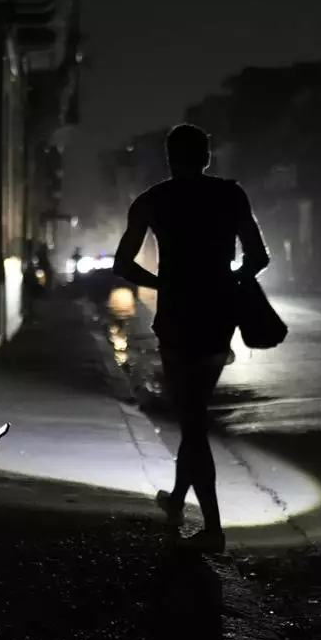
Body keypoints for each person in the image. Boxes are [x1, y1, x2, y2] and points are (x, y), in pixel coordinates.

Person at [114, 124, 269, 552]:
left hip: (178, 319)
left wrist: (165, 285)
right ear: (207, 156)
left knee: (193, 420)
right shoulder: (231, 194)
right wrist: (229, 282)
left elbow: (123, 265)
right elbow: (258, 256)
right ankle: (180, 499)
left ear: (169, 158)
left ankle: (214, 529)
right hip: (219, 318)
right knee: (194, 414)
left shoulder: (152, 200)